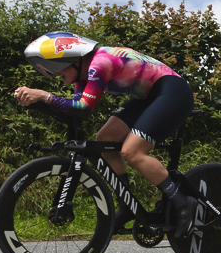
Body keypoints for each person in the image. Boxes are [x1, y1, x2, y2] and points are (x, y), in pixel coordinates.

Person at [13, 31, 197, 235]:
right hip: (148, 95)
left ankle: (183, 201)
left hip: (172, 91)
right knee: (105, 140)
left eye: (59, 73)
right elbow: (76, 113)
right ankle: (127, 206)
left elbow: (83, 108)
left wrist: (44, 96)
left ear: (71, 60)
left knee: (132, 151)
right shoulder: (82, 74)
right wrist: (40, 103)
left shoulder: (100, 62)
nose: (61, 80)